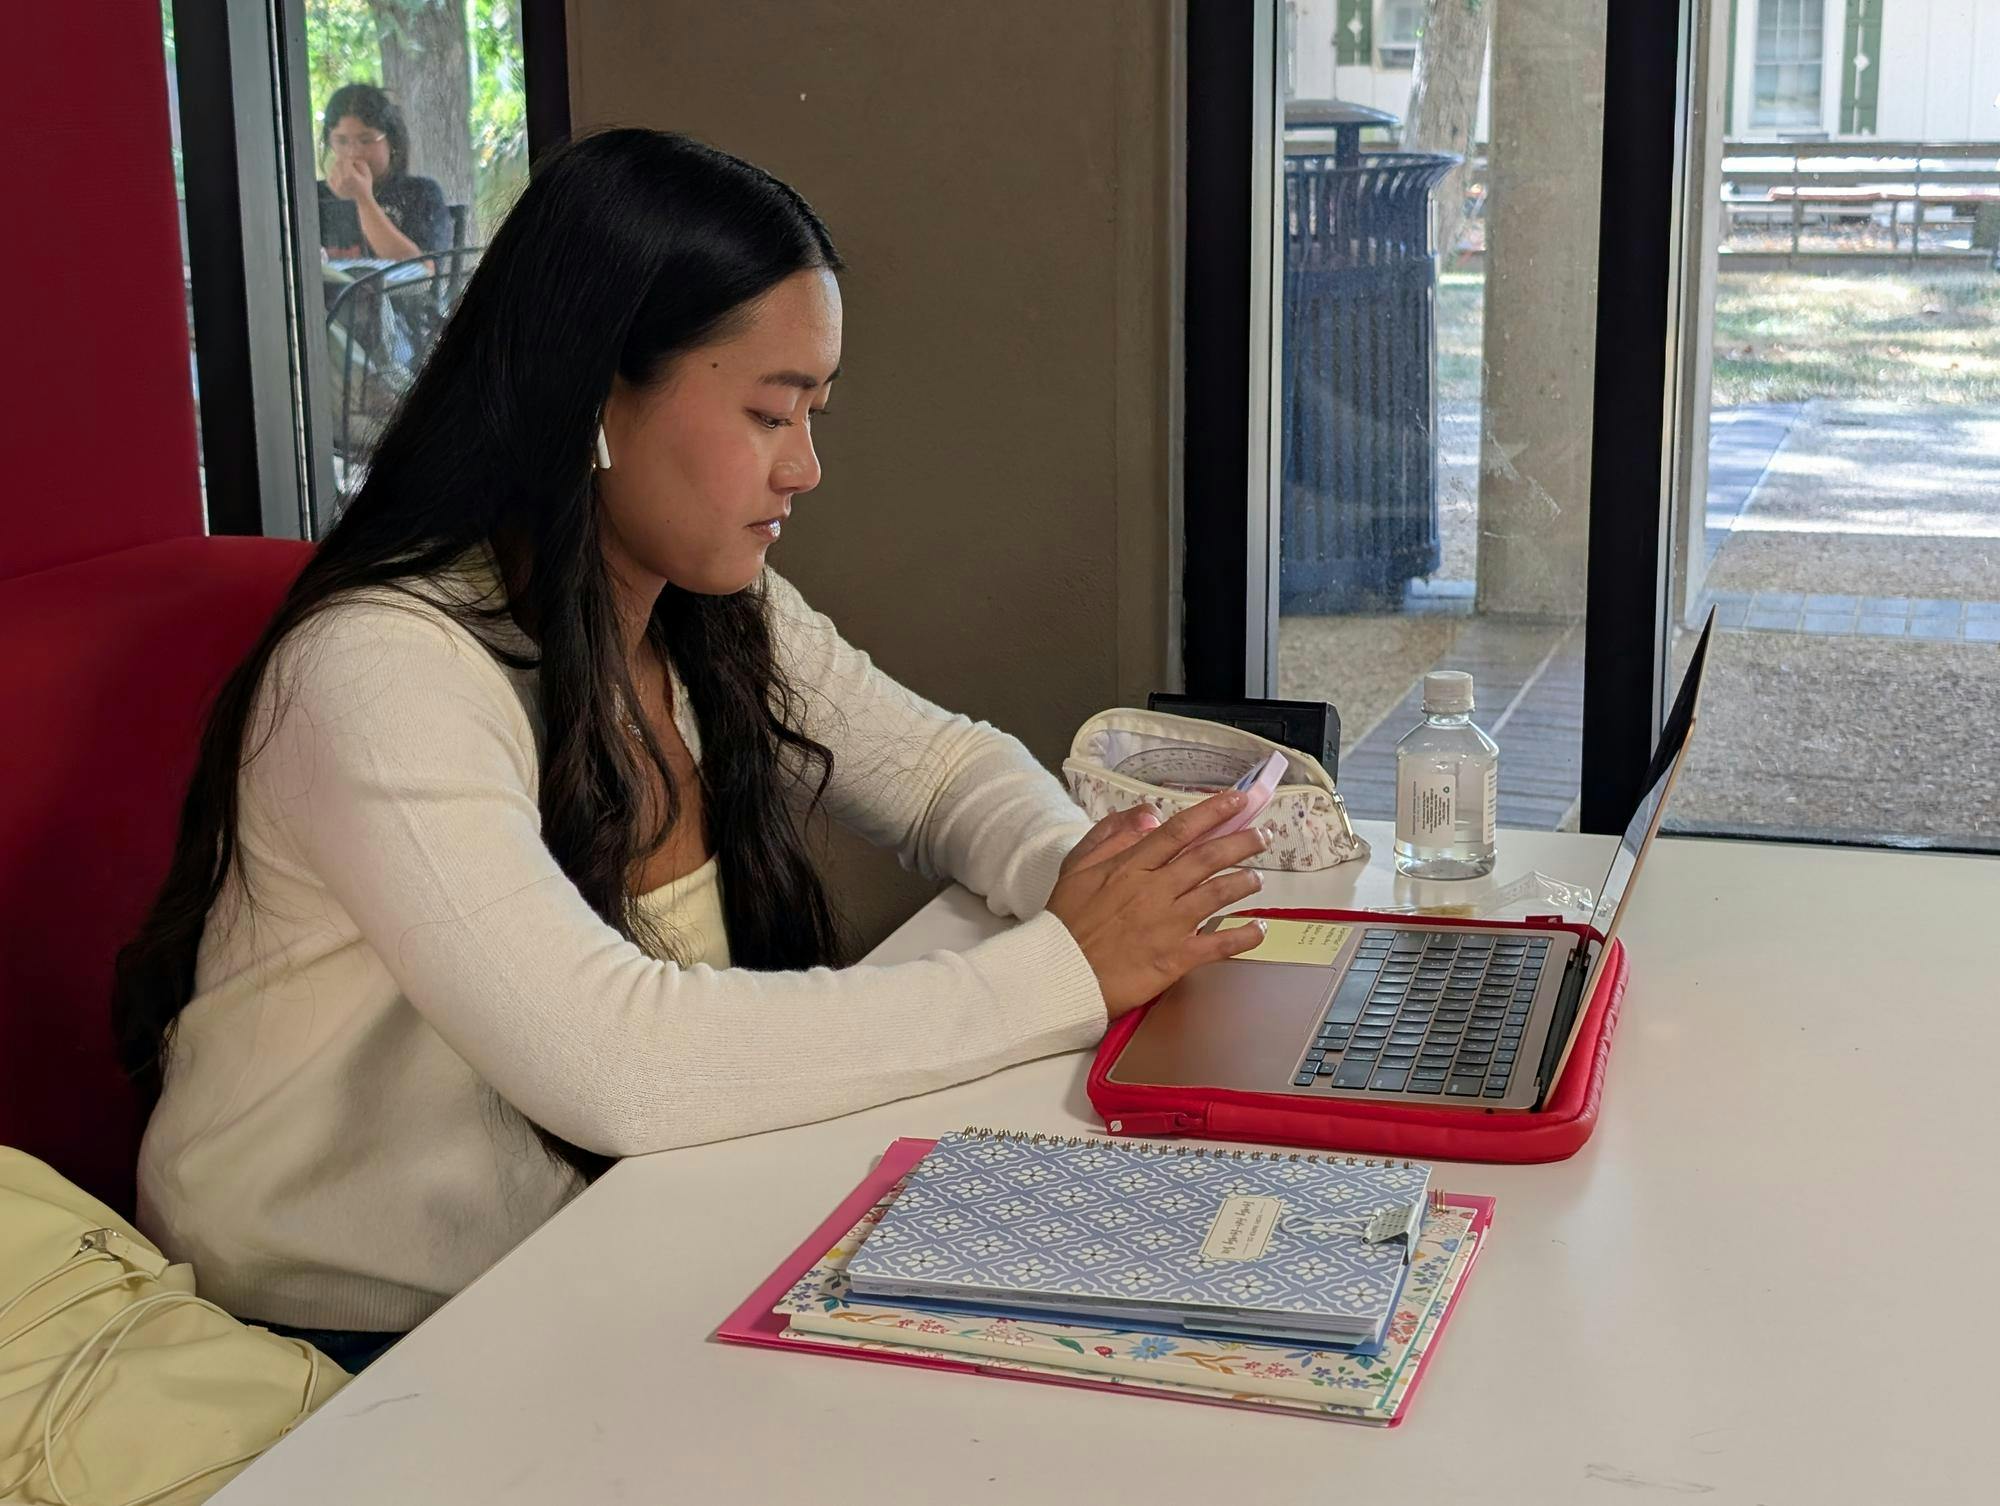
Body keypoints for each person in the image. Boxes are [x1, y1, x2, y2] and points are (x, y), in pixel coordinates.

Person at [114, 130, 1268, 1377]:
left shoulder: (706, 603)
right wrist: (1064, 970)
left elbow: (943, 773)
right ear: (597, 398)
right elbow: (615, 1063)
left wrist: (1082, 885)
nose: (805, 467)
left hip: (594, 1244)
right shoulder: (384, 670)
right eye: (770, 412)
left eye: (813, 414)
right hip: (345, 1338)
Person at [316, 82, 452, 262]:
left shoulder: (420, 193)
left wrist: (362, 199)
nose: (353, 152)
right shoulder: (316, 197)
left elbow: (422, 273)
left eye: (366, 140)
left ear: (392, 142)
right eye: (341, 141)